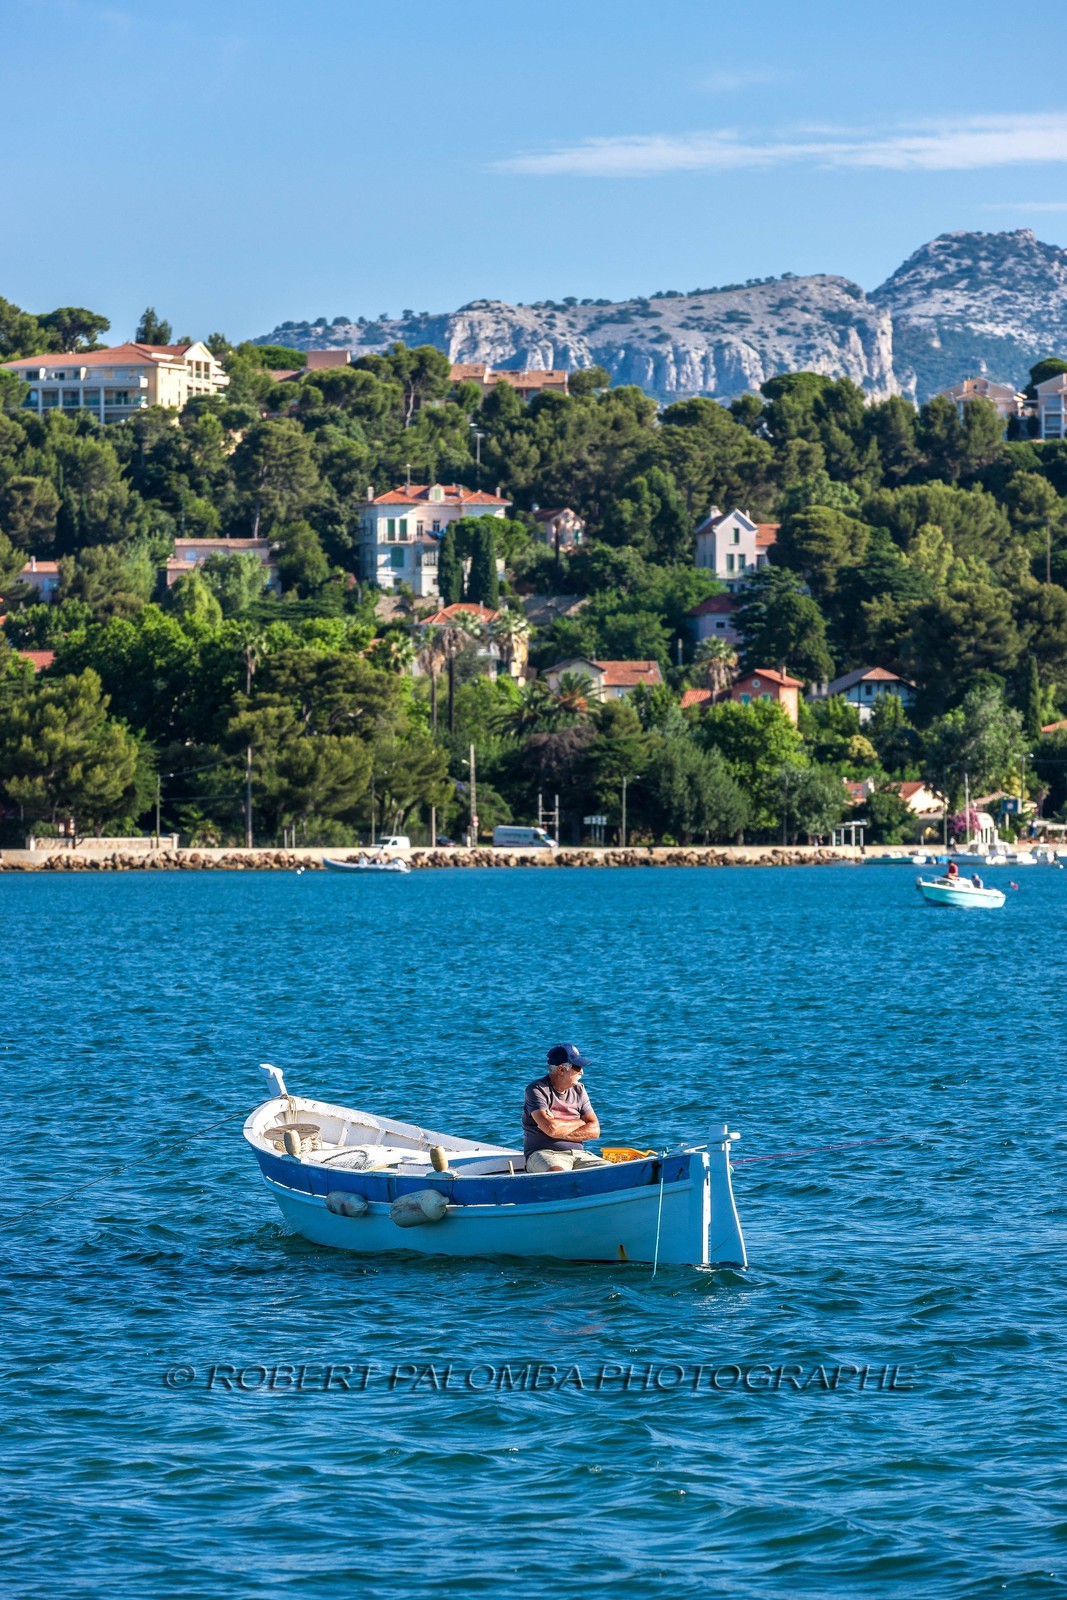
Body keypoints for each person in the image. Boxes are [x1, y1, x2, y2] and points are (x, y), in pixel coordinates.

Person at [522, 1044, 605, 1173]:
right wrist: (581, 1122)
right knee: (559, 1175)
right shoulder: (536, 1090)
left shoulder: (579, 1090)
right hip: (545, 1154)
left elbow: (595, 1130)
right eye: (577, 1067)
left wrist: (560, 1131)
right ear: (561, 1069)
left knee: (611, 1171)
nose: (582, 1072)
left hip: (579, 1154)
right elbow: (551, 1128)